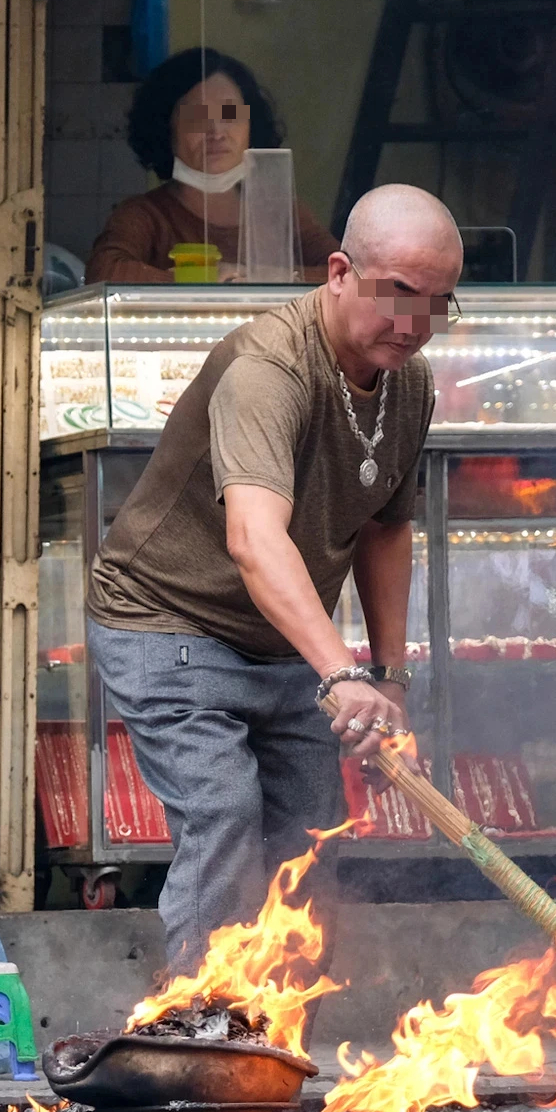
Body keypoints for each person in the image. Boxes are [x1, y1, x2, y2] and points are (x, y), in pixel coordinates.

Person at [85, 184, 464, 970]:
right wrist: (339, 675)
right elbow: (256, 539)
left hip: (281, 641)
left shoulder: (411, 383)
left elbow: (386, 526)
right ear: (338, 272)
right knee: (224, 808)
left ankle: (277, 1045)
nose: (413, 324)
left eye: (437, 304)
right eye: (397, 295)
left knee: (312, 827)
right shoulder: (267, 368)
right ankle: (198, 1025)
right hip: (167, 620)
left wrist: (387, 677)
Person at [85, 47, 342, 284]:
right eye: (198, 118)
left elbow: (360, 284)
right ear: (165, 130)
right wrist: (197, 281)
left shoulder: (283, 213)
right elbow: (102, 272)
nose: (216, 132)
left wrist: (259, 276)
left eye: (230, 115)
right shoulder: (145, 215)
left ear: (251, 126)